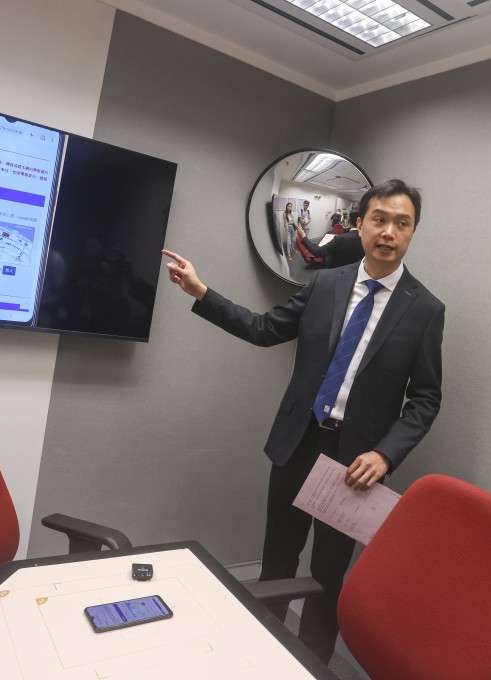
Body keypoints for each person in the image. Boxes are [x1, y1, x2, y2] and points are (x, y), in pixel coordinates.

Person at [162, 179, 444, 663]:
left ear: (413, 232)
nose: (389, 232)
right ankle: (262, 653)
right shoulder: (327, 284)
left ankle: (312, 662)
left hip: (354, 461)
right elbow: (265, 329)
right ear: (359, 224)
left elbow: (425, 398)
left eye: (403, 223)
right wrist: (201, 292)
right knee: (277, 561)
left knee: (328, 575)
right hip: (299, 443)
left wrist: (384, 453)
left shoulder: (425, 310)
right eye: (380, 219)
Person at [295, 223, 363, 269]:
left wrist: (303, 236)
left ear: (349, 220)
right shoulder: (366, 238)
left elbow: (318, 252)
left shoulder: (340, 238)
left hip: (336, 270)